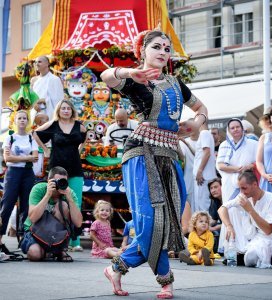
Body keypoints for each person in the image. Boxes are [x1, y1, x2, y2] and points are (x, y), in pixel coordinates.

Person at [100, 29, 208, 298]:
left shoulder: (175, 83)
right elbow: (106, 77)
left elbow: (202, 109)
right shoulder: (137, 80)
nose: (163, 52)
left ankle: (118, 267)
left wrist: (195, 124)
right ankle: (164, 279)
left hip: (170, 155)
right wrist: (128, 73)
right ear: (143, 51)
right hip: (141, 153)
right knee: (150, 220)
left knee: (171, 220)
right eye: (157, 47)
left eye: (167, 49)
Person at [33, 99, 87, 251]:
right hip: (57, 169)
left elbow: (85, 136)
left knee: (75, 201)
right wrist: (45, 149)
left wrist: (80, 149)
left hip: (75, 168)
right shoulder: (53, 124)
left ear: (72, 110)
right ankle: (57, 237)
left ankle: (75, 241)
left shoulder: (78, 125)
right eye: (63, 108)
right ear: (58, 110)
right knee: (56, 202)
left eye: (68, 108)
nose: (65, 111)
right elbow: (36, 133)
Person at [218, 170, 272, 268]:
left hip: (271, 241)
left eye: (244, 188)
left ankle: (271, 257)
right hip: (254, 238)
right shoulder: (245, 196)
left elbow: (268, 230)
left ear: (254, 184)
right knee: (231, 210)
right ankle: (239, 252)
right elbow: (221, 209)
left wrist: (250, 210)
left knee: (249, 259)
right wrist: (229, 226)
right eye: (240, 188)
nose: (241, 192)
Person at [20, 166, 83, 262]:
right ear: (49, 180)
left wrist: (70, 199)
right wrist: (47, 195)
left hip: (56, 235)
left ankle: (59, 248)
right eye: (56, 181)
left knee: (63, 205)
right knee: (35, 254)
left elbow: (78, 223)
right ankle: (50, 251)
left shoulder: (69, 192)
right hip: (36, 232)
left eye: (63, 181)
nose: (60, 184)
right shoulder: (39, 189)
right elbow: (33, 218)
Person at [0, 110, 39, 254]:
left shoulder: (31, 138)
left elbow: (35, 157)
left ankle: (24, 239)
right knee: (7, 204)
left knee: (26, 206)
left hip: (27, 174)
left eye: (25, 118)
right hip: (13, 173)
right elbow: (7, 159)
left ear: (27, 121)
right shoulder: (10, 137)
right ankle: (0, 238)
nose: (22, 120)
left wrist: (19, 158)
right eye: (19, 118)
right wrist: (26, 158)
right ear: (15, 121)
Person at [217, 118, 258, 203]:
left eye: (237, 127)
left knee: (250, 207)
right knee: (231, 209)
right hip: (229, 182)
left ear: (242, 128)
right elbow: (220, 166)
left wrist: (250, 166)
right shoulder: (224, 145)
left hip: (248, 181)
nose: (235, 129)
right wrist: (238, 169)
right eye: (232, 128)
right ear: (228, 130)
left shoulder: (253, 143)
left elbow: (260, 161)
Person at [178, 119, 199, 235]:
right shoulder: (182, 141)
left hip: (196, 178)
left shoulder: (203, 138)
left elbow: (198, 155)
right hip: (187, 177)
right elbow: (181, 158)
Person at [193, 121, 216, 212]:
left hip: (203, 176)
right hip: (204, 175)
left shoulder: (204, 133)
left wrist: (200, 171)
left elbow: (207, 153)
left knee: (202, 207)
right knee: (202, 206)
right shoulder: (206, 134)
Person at [208, 178, 222, 254]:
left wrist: (214, 228)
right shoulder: (215, 201)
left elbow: (232, 223)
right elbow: (214, 220)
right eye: (211, 188)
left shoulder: (228, 199)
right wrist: (204, 225)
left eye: (216, 187)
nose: (213, 190)